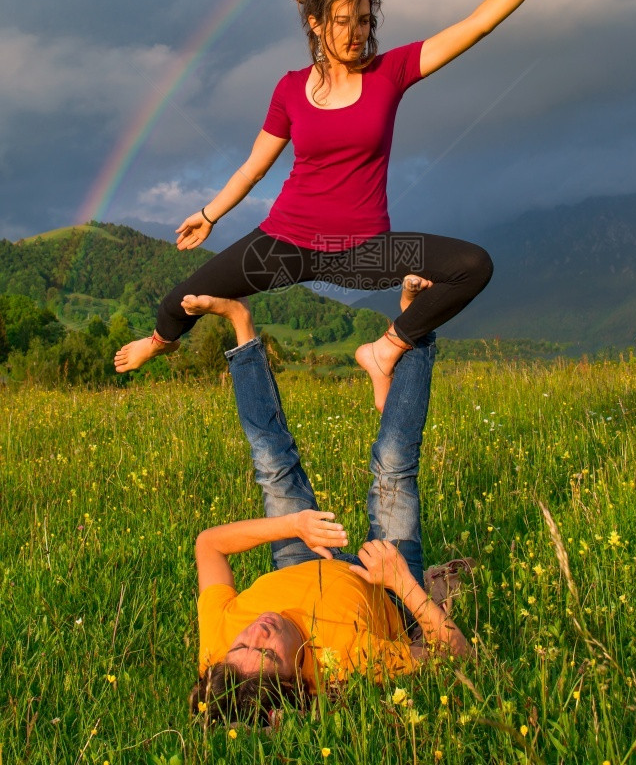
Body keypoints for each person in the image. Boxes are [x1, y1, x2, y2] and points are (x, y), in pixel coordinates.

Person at [115, 0, 589, 411]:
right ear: (317, 24)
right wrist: (208, 215)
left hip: (362, 252)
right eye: (342, 21)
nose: (356, 32)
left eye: (364, 20)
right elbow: (255, 167)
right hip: (284, 243)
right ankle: (155, 345)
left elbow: (478, 23)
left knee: (474, 265)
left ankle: (384, 350)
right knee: (183, 298)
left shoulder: (392, 72)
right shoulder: (291, 89)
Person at [190, 292, 471, 725]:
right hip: (384, 582)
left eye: (242, 646)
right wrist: (403, 583)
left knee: (272, 462)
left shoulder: (219, 654)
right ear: (294, 680)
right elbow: (455, 654)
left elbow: (208, 546)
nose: (255, 633)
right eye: (265, 652)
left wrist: (293, 524)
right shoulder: (345, 665)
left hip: (296, 557)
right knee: (394, 468)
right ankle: (416, 320)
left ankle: (240, 322)